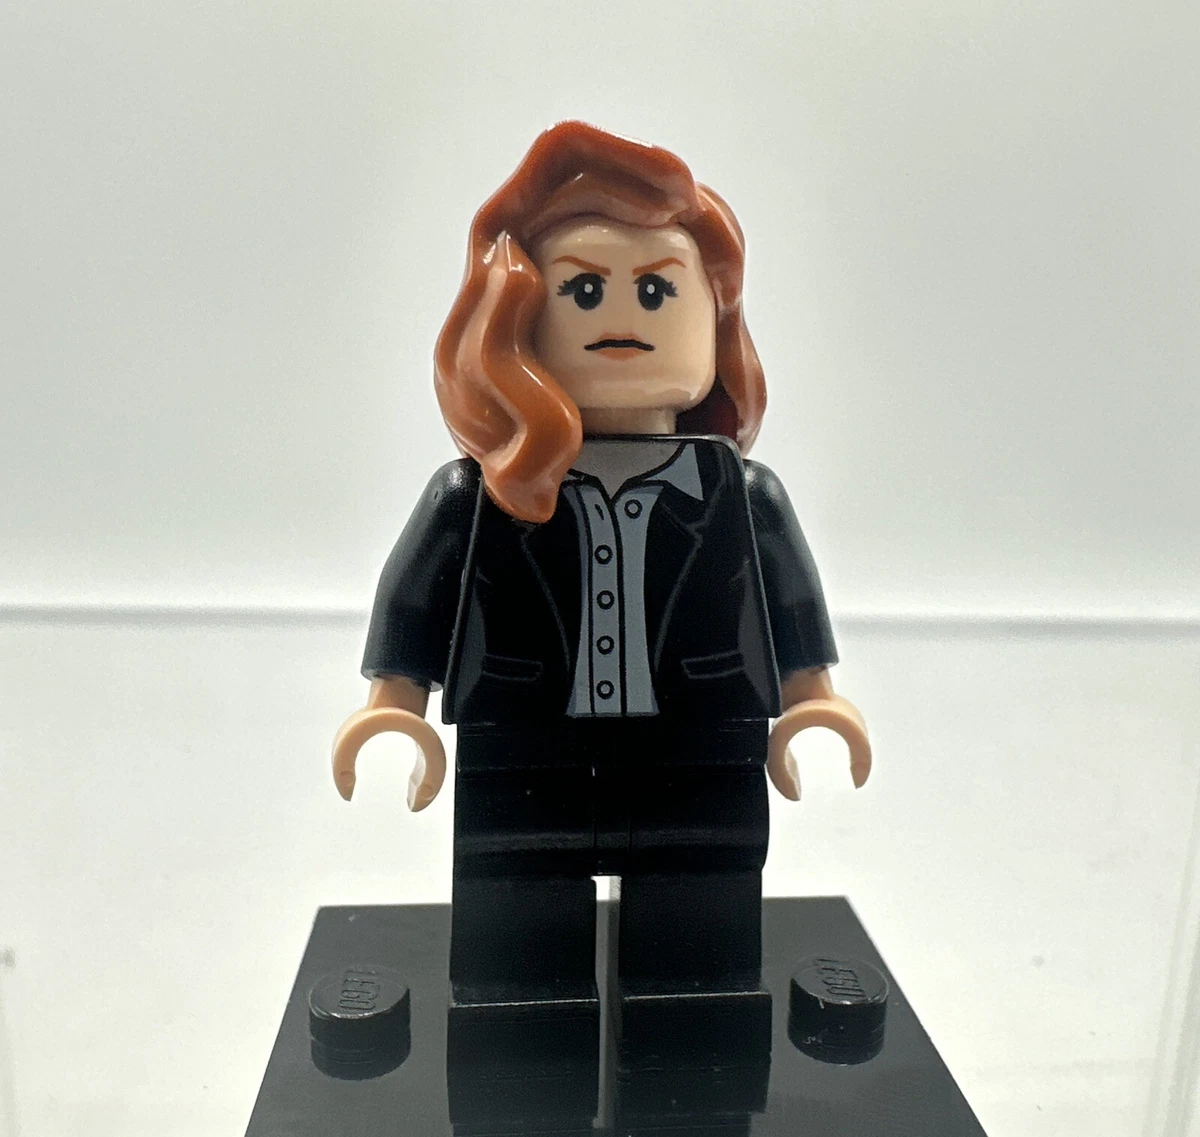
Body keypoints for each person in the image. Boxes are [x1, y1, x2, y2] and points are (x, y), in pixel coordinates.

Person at [331, 121, 871, 1033]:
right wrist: (394, 705)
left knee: (700, 922)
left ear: (715, 321)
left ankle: (695, 1047)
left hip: (701, 744)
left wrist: (812, 699)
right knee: (517, 926)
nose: (624, 314)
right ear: (516, 320)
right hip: (522, 744)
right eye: (583, 289)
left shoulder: (741, 494)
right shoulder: (480, 494)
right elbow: (417, 596)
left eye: (658, 289)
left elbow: (787, 599)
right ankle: (518, 1047)